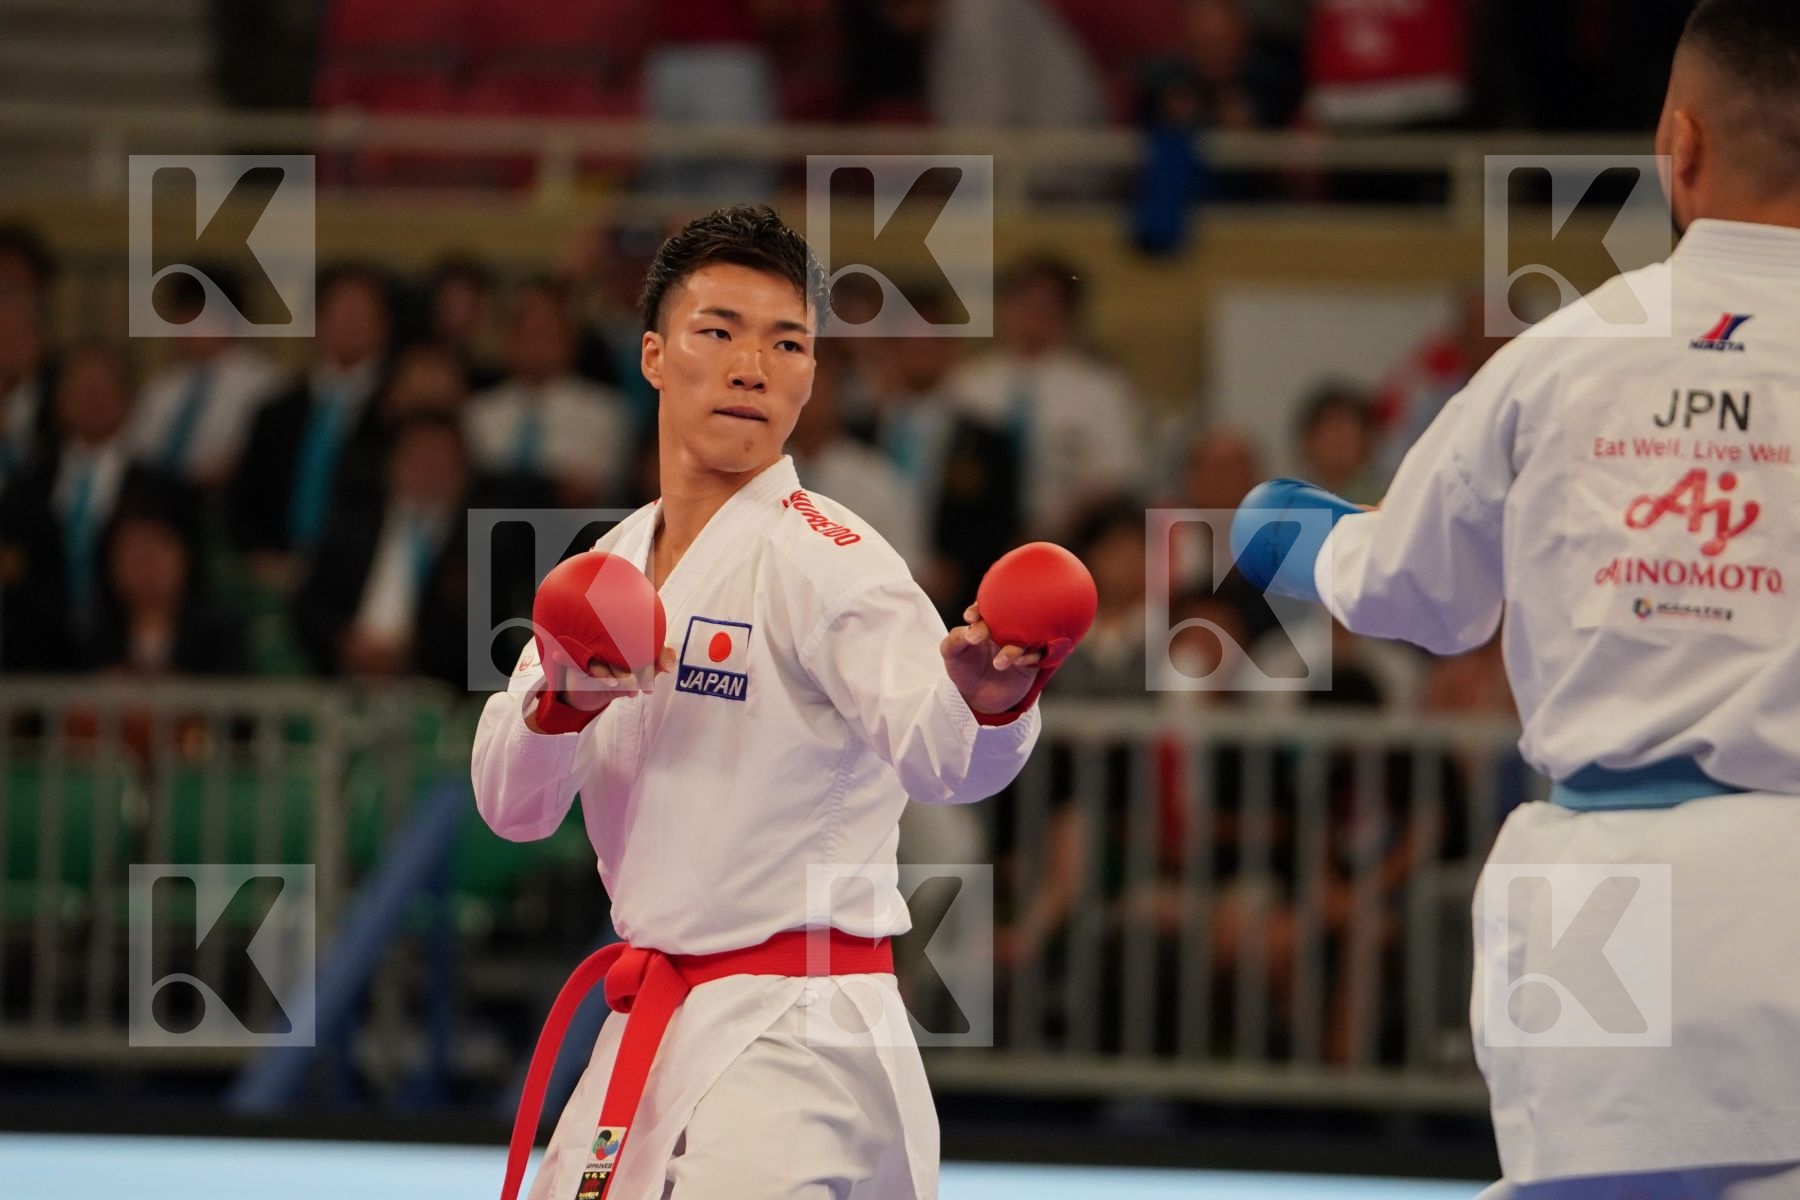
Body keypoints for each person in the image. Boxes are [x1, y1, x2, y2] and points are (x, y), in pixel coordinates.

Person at [1231, 2, 1800, 1193]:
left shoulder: (1569, 352)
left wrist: (1302, 538)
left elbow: (1411, 595)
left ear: (1678, 147)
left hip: (1611, 889)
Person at [472, 206, 1056, 1200]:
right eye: (720, 332)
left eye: (787, 343)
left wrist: (991, 701)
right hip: (650, 1024)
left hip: (800, 1038)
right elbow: (511, 808)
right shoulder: (605, 569)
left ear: (811, 376)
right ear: (653, 356)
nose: (753, 366)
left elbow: (943, 758)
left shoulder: (831, 560)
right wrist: (560, 706)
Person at [946, 256, 1142, 539]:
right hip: (974, 537)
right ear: (1005, 307)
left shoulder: (1100, 388)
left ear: (1069, 314)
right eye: (1025, 303)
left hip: (1071, 536)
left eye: (1047, 306)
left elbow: (1117, 472)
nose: (1034, 316)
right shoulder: (967, 384)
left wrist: (1062, 522)